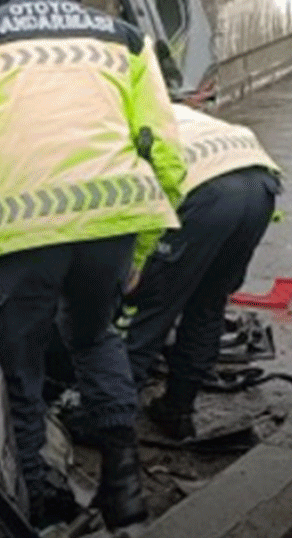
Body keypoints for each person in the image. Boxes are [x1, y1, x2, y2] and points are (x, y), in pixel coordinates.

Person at [0, 0, 186, 531]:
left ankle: (34, 505)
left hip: (19, 229)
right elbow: (164, 147)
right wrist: (139, 245)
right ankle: (126, 497)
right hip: (114, 216)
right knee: (96, 339)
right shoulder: (123, 37)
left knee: (18, 371)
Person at [116, 104, 282, 440]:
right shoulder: (163, 107)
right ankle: (178, 410)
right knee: (208, 304)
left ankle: (110, 420)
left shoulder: (113, 128)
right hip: (261, 183)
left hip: (204, 190)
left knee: (151, 307)